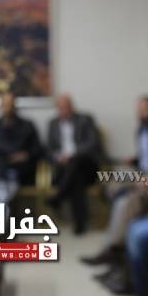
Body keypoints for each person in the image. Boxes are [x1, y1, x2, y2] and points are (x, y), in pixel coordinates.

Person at [46, 94, 103, 234]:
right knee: (76, 179)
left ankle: (59, 196)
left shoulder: (85, 119)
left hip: (86, 166)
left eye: (66, 106)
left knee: (75, 162)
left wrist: (72, 155)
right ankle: (79, 224)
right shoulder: (53, 123)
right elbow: (49, 149)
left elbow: (92, 142)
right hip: (64, 170)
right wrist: (58, 157)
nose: (63, 109)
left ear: (72, 106)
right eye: (60, 107)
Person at [0, 93, 43, 185]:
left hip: (22, 168)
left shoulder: (27, 125)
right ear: (1, 106)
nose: (8, 108)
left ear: (14, 105)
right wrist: (1, 160)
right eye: (5, 104)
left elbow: (37, 148)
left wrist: (25, 155)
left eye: (10, 104)